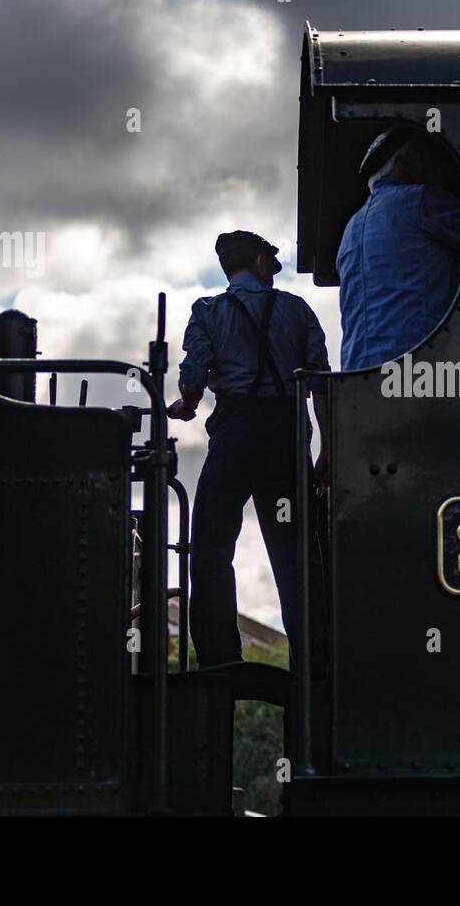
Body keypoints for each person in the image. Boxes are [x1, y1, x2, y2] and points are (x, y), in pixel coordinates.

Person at [167, 230, 329, 671]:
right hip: (285, 438)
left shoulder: (208, 311)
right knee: (298, 555)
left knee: (211, 548)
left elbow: (192, 382)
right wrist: (328, 450)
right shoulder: (296, 310)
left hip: (235, 437)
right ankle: (313, 667)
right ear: (260, 263)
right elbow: (321, 386)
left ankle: (220, 663)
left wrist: (185, 406)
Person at [336, 127, 460, 370]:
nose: (437, 172)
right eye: (430, 163)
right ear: (404, 163)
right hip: (417, 364)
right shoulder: (421, 200)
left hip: (357, 369)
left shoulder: (350, 228)